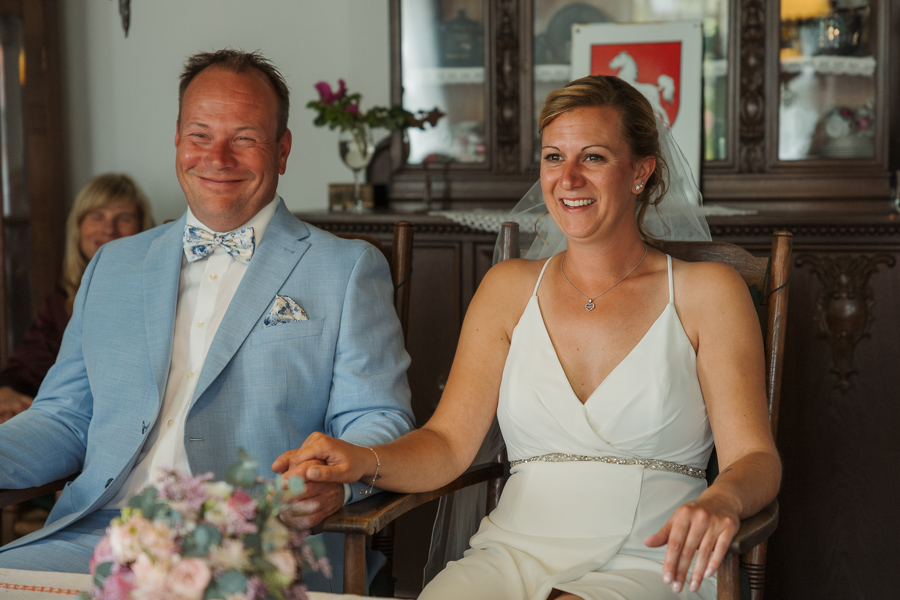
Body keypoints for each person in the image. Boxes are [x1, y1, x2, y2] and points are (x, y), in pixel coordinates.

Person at [279, 75, 781, 599]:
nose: (568, 179)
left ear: (640, 171)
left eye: (593, 157)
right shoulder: (507, 289)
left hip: (655, 556)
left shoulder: (708, 292)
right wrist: (362, 459)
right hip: (512, 554)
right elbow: (448, 444)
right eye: (553, 157)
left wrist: (723, 499)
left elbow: (755, 458)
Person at [0, 49, 414, 591]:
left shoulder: (347, 268)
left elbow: (377, 417)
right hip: (96, 540)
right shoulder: (113, 265)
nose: (217, 157)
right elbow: (65, 417)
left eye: (244, 138)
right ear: (178, 141)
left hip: (257, 543)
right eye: (200, 135)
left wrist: (338, 482)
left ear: (282, 150)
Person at [0, 173, 153, 425]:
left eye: (124, 218)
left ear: (143, 228)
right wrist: (8, 392)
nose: (109, 229)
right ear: (78, 227)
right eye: (97, 216)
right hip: (71, 423)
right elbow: (29, 365)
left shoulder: (157, 293)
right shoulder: (62, 300)